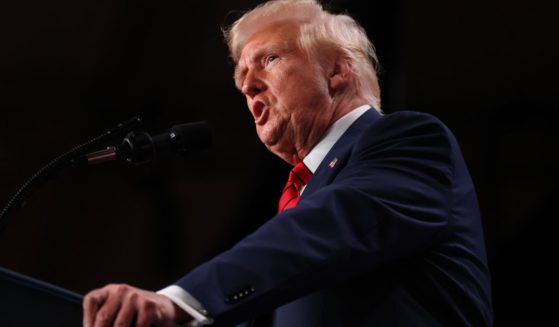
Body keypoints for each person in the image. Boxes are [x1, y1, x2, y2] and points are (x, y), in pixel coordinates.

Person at [83, 0, 493, 326]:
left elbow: (331, 225)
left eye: (270, 59)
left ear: (336, 71)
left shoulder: (409, 141)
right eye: (242, 81)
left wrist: (180, 301)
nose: (248, 85)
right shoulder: (300, 200)